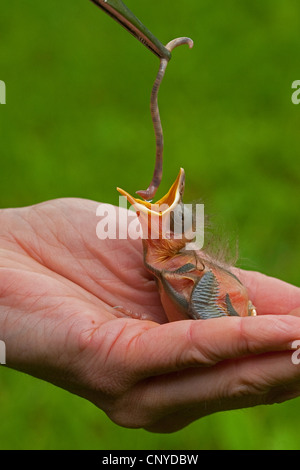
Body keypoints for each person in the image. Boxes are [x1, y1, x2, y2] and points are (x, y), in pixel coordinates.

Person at [0, 198, 300, 433]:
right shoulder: (168, 263)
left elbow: (202, 290)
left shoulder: (174, 266)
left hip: (208, 304)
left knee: (210, 316)